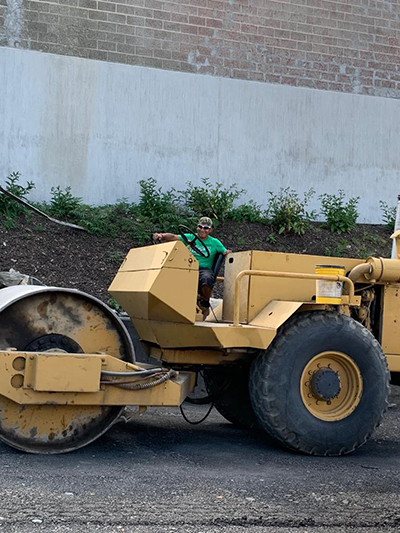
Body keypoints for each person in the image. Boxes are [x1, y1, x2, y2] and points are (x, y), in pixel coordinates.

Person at [152, 217, 232, 317]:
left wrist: (227, 252)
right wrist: (161, 235)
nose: (202, 230)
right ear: (197, 227)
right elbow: (173, 237)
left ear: (210, 230)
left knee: (207, 278)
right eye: (200, 227)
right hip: (187, 266)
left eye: (206, 228)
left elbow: (225, 252)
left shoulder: (215, 242)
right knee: (167, 272)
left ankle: (204, 303)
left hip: (203, 268)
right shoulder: (190, 237)